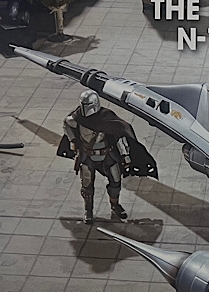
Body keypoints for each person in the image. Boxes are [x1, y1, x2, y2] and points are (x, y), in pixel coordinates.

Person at [59, 90, 157, 222]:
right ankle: (88, 211)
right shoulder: (77, 118)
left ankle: (115, 205)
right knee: (87, 186)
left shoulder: (106, 118)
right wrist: (72, 140)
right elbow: (66, 124)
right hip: (87, 156)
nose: (85, 108)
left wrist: (125, 154)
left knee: (115, 182)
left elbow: (119, 135)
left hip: (107, 155)